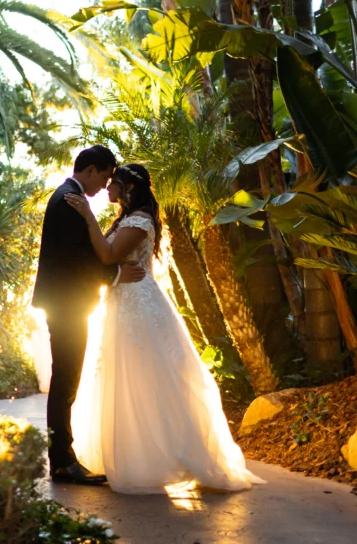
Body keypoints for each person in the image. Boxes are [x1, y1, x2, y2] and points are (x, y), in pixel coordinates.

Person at [64, 163, 264, 494]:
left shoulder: (140, 221)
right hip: (121, 302)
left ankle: (164, 459)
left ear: (128, 188)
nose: (108, 189)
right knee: (126, 378)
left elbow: (108, 254)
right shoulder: (127, 219)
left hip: (139, 305)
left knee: (148, 377)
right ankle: (134, 454)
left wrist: (87, 216)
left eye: (114, 183)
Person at [31, 145, 145, 485]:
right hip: (66, 304)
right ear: (92, 170)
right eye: (107, 176)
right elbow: (76, 258)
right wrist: (114, 276)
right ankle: (62, 462)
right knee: (65, 380)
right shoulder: (69, 200)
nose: (105, 186)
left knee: (66, 379)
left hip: (66, 303)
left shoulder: (68, 196)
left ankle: (63, 459)